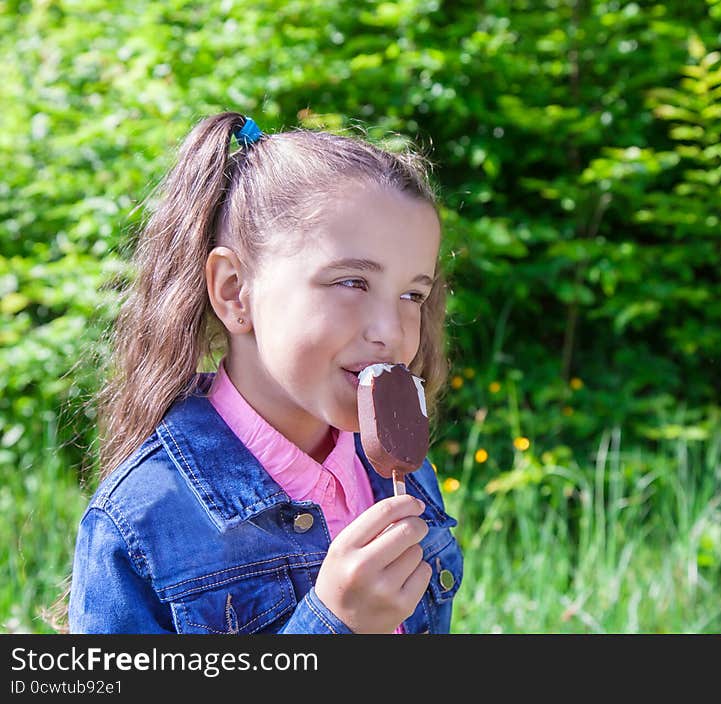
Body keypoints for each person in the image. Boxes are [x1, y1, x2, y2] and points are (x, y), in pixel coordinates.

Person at [65, 112, 463, 633]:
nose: (390, 330)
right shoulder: (143, 522)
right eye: (351, 282)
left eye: (413, 294)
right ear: (235, 291)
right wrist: (334, 625)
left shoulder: (405, 476)